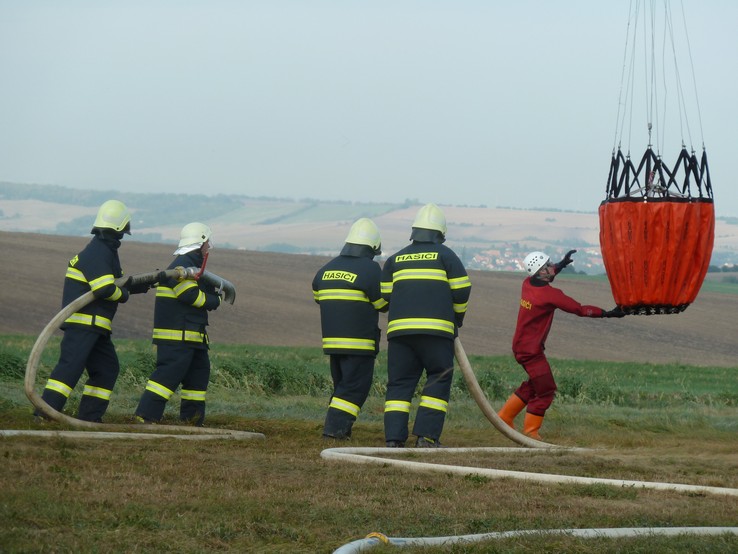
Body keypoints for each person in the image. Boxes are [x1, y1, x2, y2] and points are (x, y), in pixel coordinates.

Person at [38, 199, 149, 422]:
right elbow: (104, 288)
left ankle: (90, 418)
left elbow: (112, 282)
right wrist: (125, 295)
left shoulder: (104, 249)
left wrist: (140, 286)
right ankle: (44, 414)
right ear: (120, 228)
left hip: (96, 325)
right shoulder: (99, 251)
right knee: (70, 369)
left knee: (107, 369)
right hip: (84, 324)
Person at [498, 250, 625, 440]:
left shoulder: (527, 283)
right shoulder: (550, 295)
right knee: (546, 390)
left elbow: (546, 275)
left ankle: (504, 417)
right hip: (531, 352)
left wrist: (561, 264)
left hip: (520, 346)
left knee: (535, 384)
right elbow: (580, 310)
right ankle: (531, 433)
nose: (552, 267)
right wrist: (608, 313)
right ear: (541, 272)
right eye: (548, 265)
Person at [381, 203, 472, 448]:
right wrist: (457, 319)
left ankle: (393, 439)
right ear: (440, 234)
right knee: (438, 378)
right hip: (437, 333)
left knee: (399, 385)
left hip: (400, 334)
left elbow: (384, 298)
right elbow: (462, 290)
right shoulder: (446, 255)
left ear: (414, 232)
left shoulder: (395, 259)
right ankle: (427, 437)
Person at [134, 222, 222, 425]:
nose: (209, 246)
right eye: (207, 241)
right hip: (177, 337)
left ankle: (192, 420)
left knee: (197, 377)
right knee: (167, 376)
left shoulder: (193, 265)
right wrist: (215, 300)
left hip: (192, 337)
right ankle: (145, 415)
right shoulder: (182, 266)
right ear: (201, 242)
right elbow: (190, 296)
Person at [312, 218, 388, 440]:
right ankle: (334, 430)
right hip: (360, 343)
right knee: (354, 388)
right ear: (372, 247)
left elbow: (318, 296)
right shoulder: (371, 269)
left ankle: (339, 428)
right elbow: (383, 304)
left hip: (332, 343)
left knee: (342, 387)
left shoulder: (326, 269)